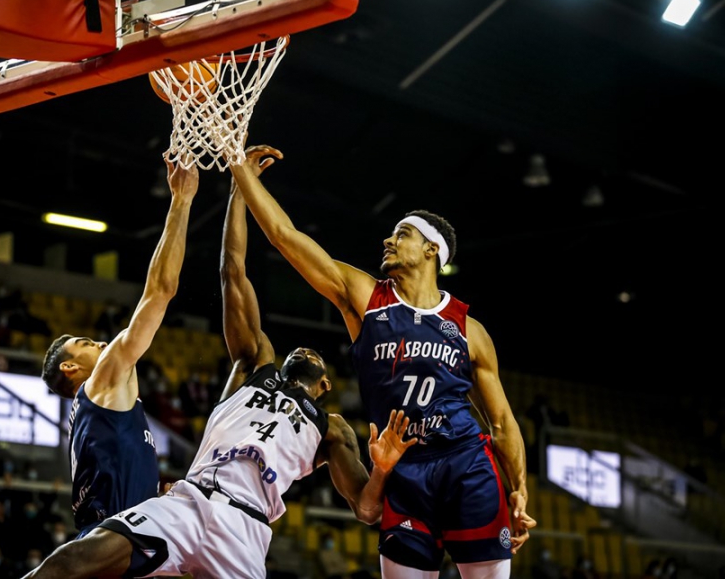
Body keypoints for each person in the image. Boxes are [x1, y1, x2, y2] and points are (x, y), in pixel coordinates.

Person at [16, 174, 418, 579]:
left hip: (245, 529)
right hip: (190, 502)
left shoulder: (331, 429)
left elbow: (367, 509)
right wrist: (239, 190)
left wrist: (382, 469)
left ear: (326, 385)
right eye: (299, 350)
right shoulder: (254, 367)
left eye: (317, 356)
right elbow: (232, 271)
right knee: (74, 561)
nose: (305, 350)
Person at [229, 144, 537, 579]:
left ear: (431, 250)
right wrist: (241, 173)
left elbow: (502, 423)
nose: (389, 240)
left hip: (465, 462)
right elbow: (285, 236)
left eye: (402, 234)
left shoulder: (470, 330)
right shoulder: (366, 297)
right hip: (403, 469)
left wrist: (519, 488)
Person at [38, 158, 199, 538]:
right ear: (69, 368)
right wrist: (181, 200)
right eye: (84, 344)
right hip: (114, 539)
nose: (98, 343)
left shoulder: (92, 414)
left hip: (105, 536)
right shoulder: (104, 378)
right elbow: (161, 290)